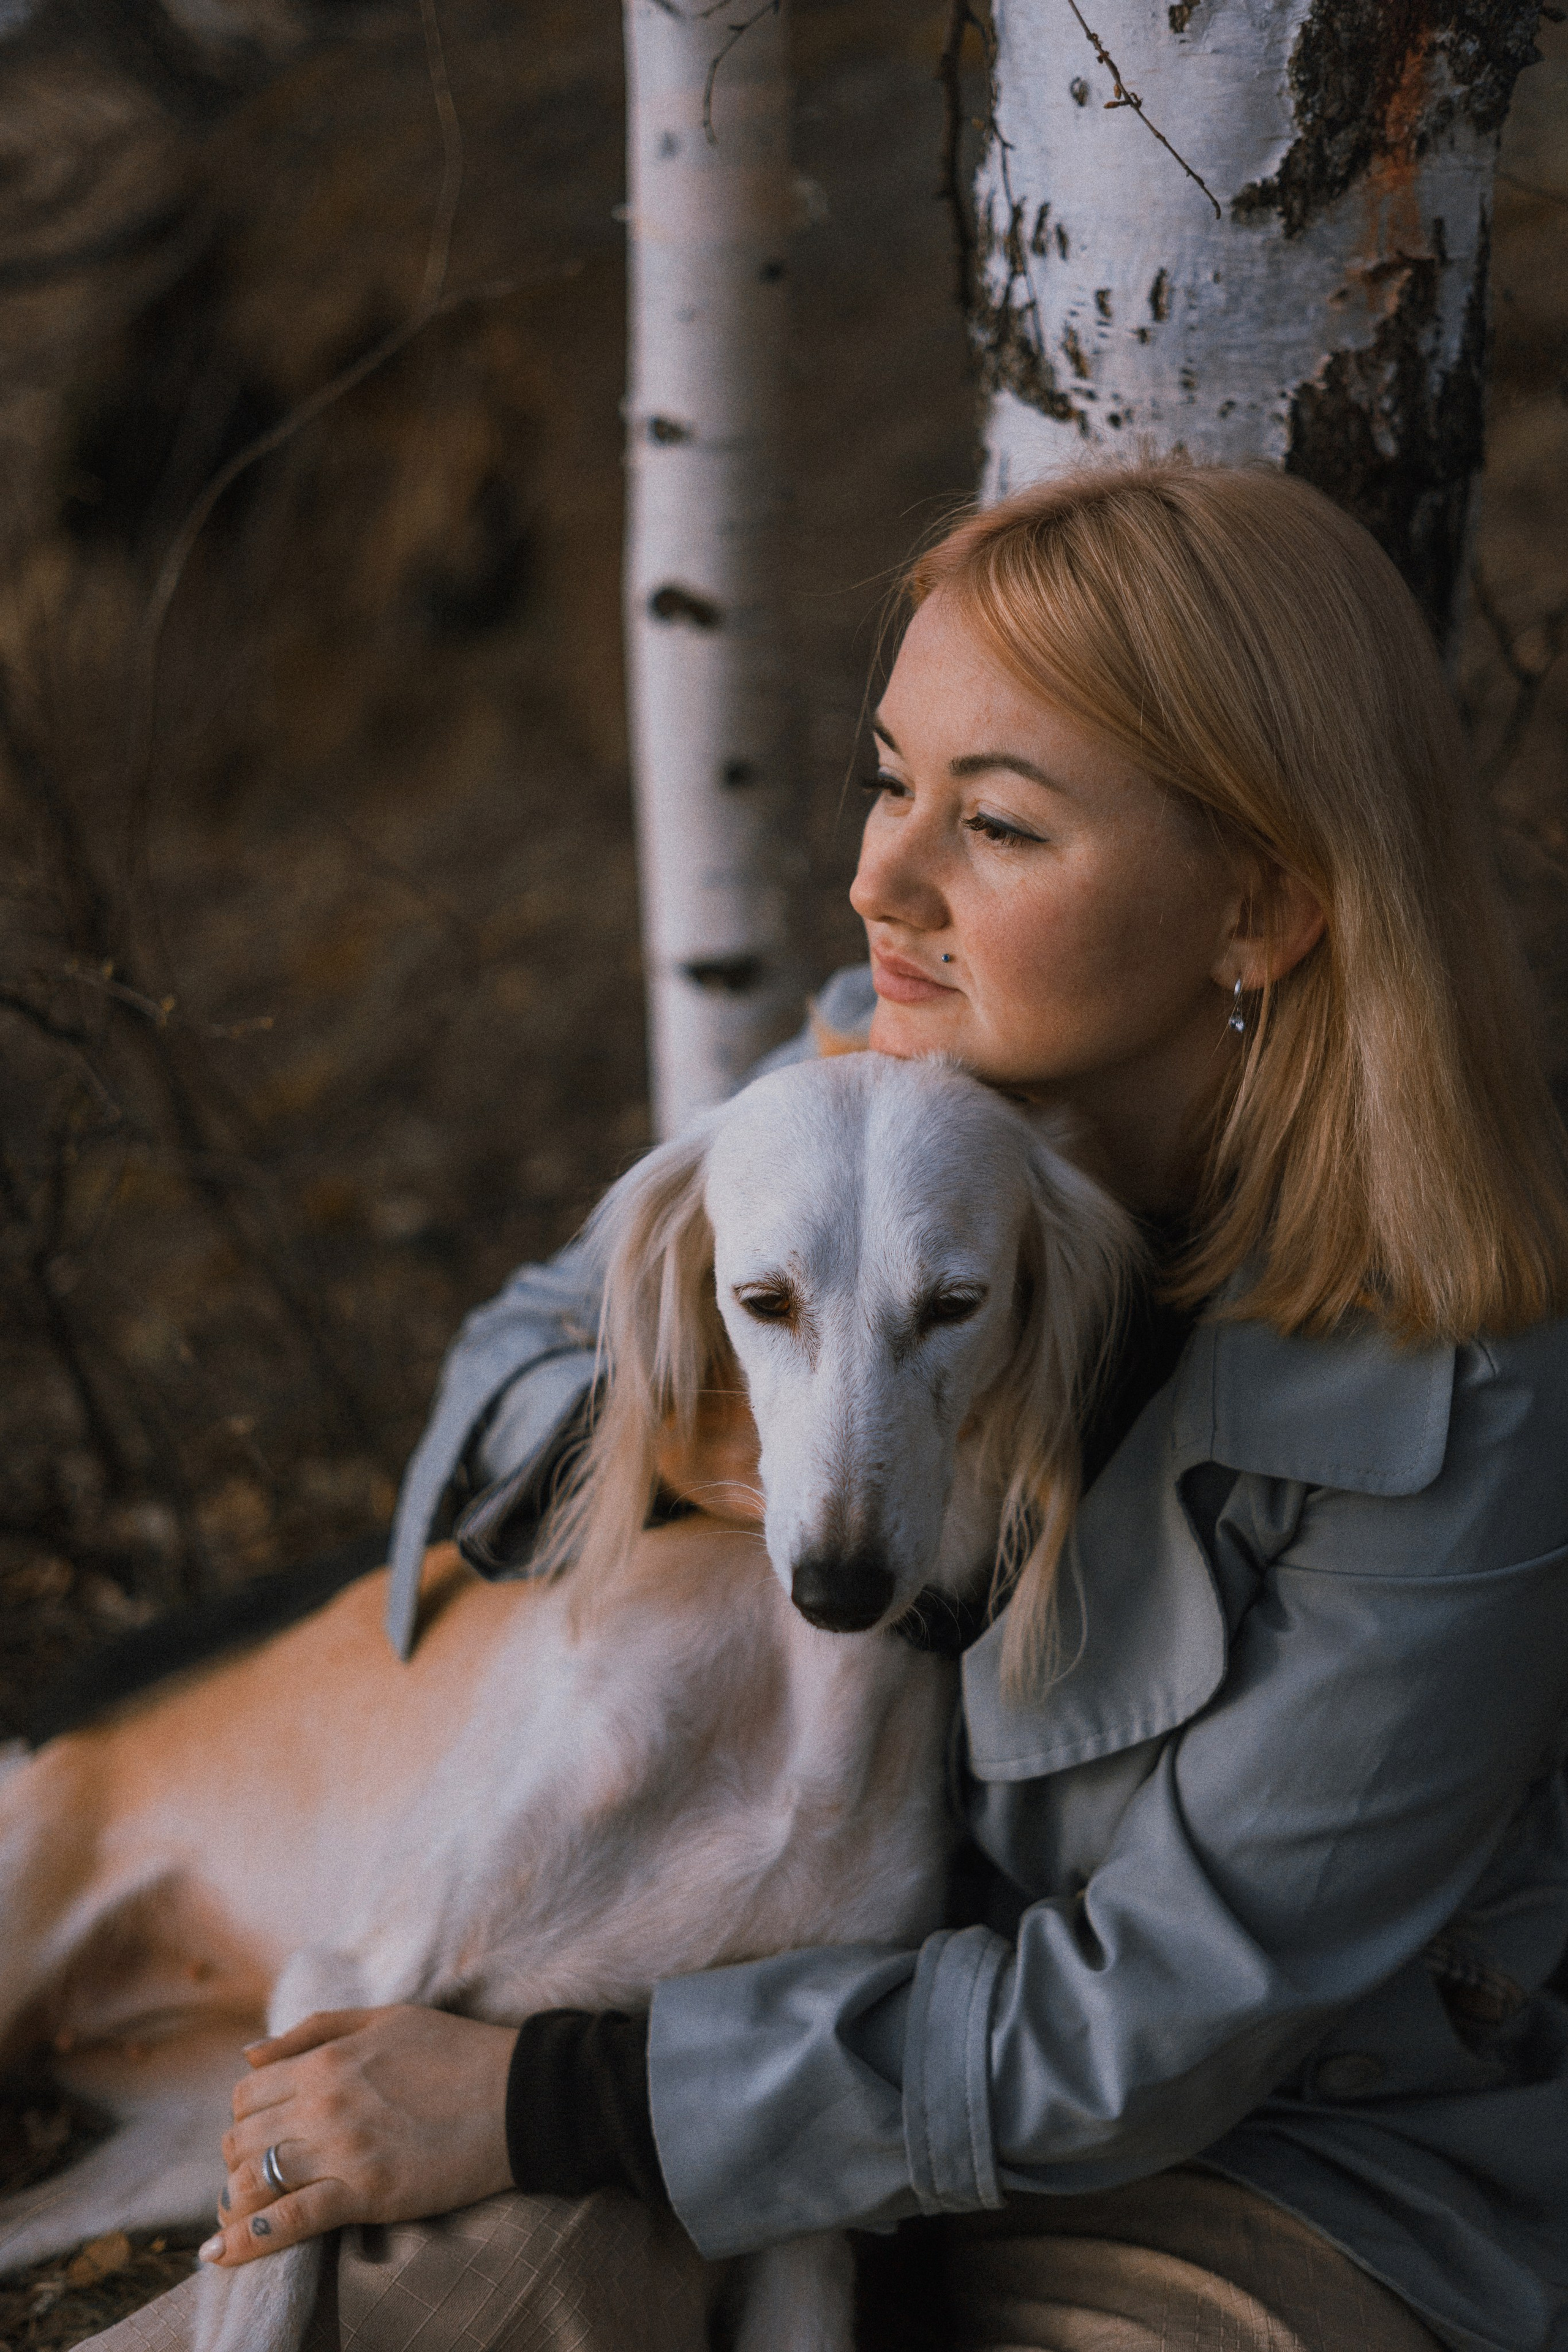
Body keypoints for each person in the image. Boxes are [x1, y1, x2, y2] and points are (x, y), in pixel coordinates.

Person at [98, 464, 1568, 2352]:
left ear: (1258, 909)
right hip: (760, 2073)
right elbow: (519, 1370)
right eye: (889, 783)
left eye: (999, 826)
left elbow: (1160, 2030)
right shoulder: (875, 1081)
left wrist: (567, 2099)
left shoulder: (1467, 1381)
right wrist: (707, 1442)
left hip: (1260, 2189)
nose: (879, 880)